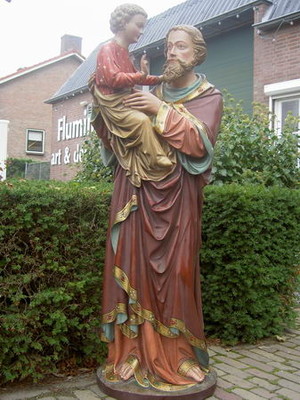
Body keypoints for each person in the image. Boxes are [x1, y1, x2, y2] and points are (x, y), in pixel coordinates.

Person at [91, 24, 223, 391]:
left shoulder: (209, 96)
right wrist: (104, 108)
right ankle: (131, 352)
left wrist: (159, 109)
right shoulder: (144, 91)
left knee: (176, 277)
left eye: (180, 47)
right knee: (131, 268)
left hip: (178, 204)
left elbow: (199, 144)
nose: (172, 53)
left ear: (197, 54)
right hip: (135, 197)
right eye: (168, 47)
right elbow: (120, 138)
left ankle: (178, 356)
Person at [89, 3, 176, 188]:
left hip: (125, 100)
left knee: (153, 117)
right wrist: (141, 75)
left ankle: (151, 156)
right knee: (142, 121)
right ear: (123, 23)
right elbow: (113, 78)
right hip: (114, 105)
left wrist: (160, 78)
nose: (141, 31)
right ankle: (157, 159)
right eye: (139, 25)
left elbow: (136, 77)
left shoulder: (125, 52)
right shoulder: (107, 49)